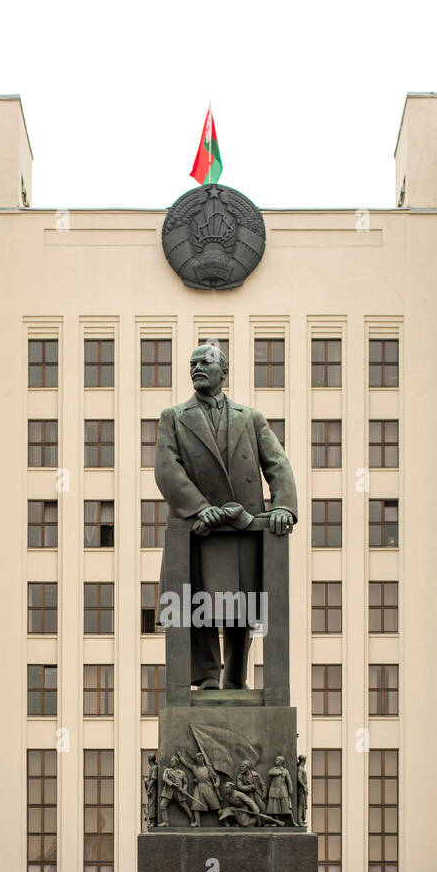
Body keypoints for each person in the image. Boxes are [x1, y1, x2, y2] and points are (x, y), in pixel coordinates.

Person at [154, 345, 298, 689]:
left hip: (243, 525)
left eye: (205, 362)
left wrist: (283, 506)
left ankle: (236, 677)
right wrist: (201, 507)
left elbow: (277, 464)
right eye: (192, 364)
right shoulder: (173, 416)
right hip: (199, 527)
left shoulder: (250, 418)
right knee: (198, 602)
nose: (197, 368)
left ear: (224, 372)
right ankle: (206, 677)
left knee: (242, 603)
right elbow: (166, 469)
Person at [158, 756, 200, 828]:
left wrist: (184, 789)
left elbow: (186, 783)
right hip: (168, 791)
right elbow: (164, 778)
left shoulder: (182, 772)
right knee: (162, 805)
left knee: (185, 807)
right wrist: (172, 784)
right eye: (170, 761)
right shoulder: (167, 770)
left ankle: (192, 821)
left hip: (179, 792)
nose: (170, 762)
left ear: (176, 762)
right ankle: (165, 822)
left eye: (172, 761)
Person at [266, 754, 293, 822]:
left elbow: (289, 780)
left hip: (282, 788)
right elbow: (270, 772)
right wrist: (278, 772)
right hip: (274, 789)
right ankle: (277, 820)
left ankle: (292, 820)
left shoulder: (285, 770)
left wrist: (290, 789)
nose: (276, 761)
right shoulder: (274, 769)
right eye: (276, 760)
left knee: (286, 803)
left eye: (278, 760)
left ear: (281, 762)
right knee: (275, 805)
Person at [143, 752, 160, 829]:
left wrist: (149, 790)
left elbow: (153, 780)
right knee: (149, 805)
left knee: (152, 805)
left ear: (149, 760)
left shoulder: (155, 768)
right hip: (151, 788)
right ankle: (151, 820)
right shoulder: (152, 768)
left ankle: (153, 821)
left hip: (153, 788)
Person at [296, 754, 308, 828]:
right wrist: (304, 786)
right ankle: (300, 821)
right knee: (301, 804)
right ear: (304, 761)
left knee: (303, 805)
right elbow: (299, 778)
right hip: (301, 789)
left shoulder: (300, 768)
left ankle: (301, 820)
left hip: (303, 788)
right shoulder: (300, 768)